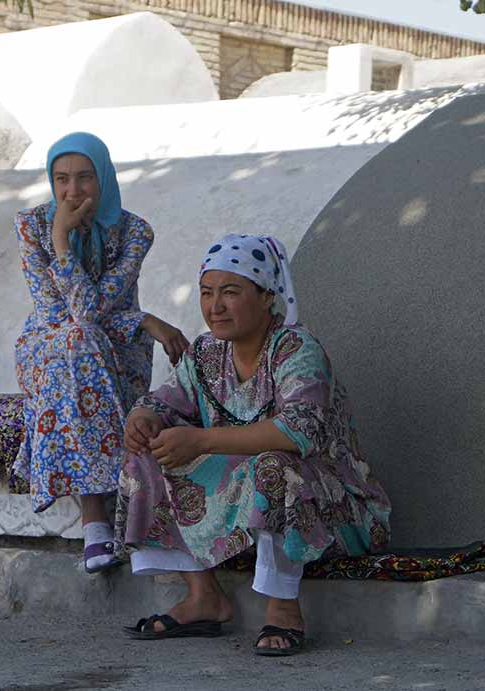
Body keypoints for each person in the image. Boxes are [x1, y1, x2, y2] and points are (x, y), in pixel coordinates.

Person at [116, 233, 391, 656]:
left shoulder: (296, 348)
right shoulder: (205, 352)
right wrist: (143, 419)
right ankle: (203, 595)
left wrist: (201, 440)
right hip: (248, 498)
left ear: (267, 296)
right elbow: (162, 402)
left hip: (332, 506)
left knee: (273, 465)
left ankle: (282, 607)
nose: (215, 306)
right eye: (207, 293)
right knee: (147, 456)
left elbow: (295, 433)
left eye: (231, 292)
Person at [13, 132, 189, 574]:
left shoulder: (134, 232)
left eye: (85, 178)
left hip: (118, 350)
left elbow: (91, 310)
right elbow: (63, 314)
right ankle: (98, 520)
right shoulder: (33, 228)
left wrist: (135, 323)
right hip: (49, 348)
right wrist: (60, 239)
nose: (73, 192)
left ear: (104, 177)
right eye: (62, 179)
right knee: (77, 340)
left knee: (85, 339)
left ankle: (105, 523)